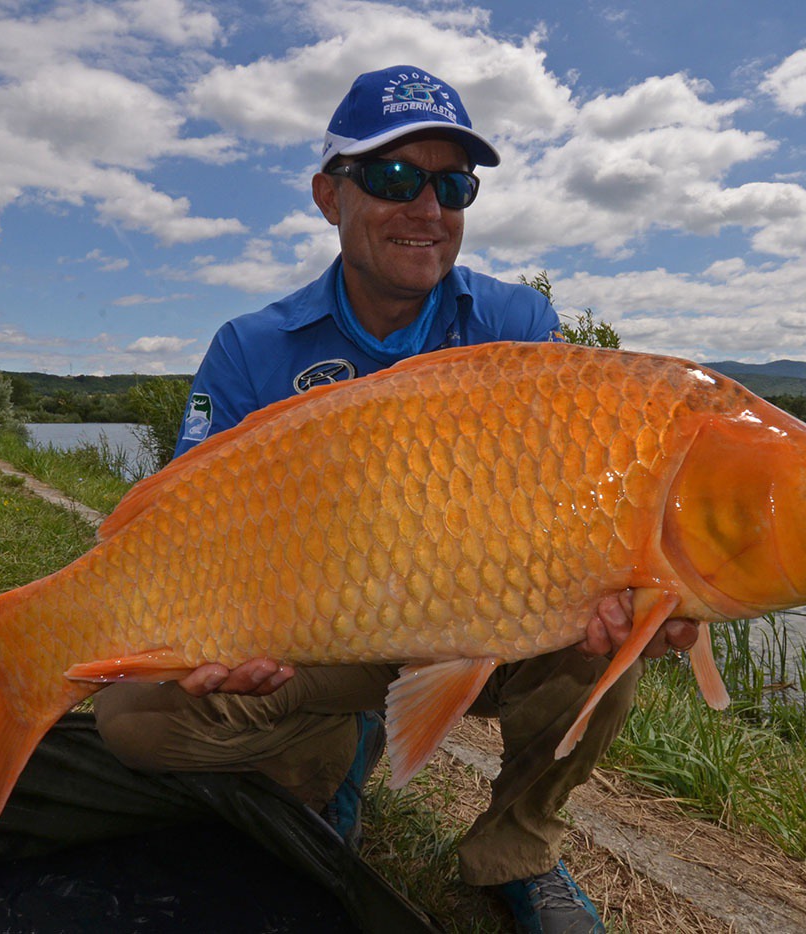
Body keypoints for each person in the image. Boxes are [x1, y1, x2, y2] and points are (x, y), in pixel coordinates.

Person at [94, 65, 698, 934]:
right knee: (134, 719)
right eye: (392, 178)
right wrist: (210, 638)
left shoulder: (519, 327)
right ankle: (320, 764)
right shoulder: (253, 348)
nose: (427, 209)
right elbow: (175, 520)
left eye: (453, 185)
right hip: (317, 631)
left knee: (608, 650)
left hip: (484, 618)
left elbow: (592, 497)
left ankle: (515, 851)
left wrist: (647, 581)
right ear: (327, 195)